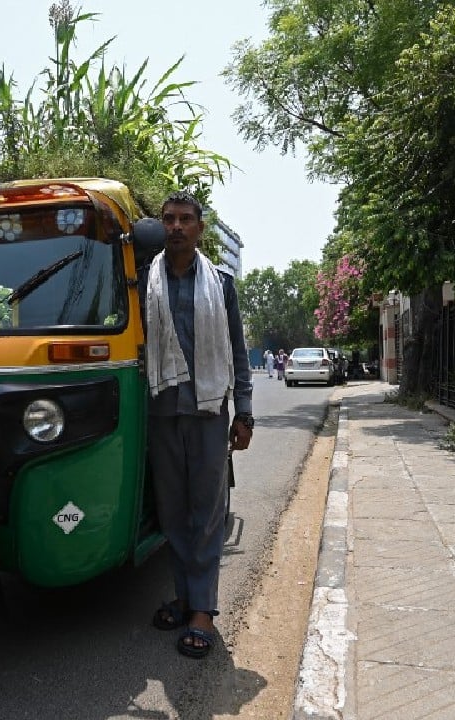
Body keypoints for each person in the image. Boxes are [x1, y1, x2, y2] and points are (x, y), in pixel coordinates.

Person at [142, 191, 253, 659]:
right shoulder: (144, 282)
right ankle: (186, 596)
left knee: (207, 512)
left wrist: (244, 410)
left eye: (186, 219)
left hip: (209, 411)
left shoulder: (220, 283)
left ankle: (203, 610)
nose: (176, 226)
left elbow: (238, 349)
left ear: (199, 228)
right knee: (172, 511)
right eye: (169, 219)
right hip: (162, 411)